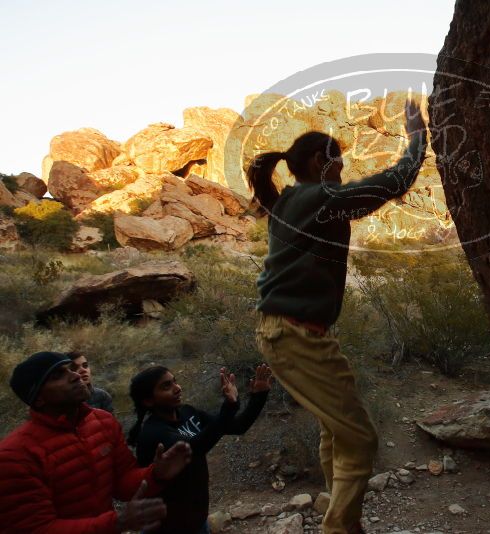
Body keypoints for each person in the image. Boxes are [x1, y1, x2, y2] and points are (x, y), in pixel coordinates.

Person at [249, 99, 428, 533]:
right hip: (295, 336)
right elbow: (391, 183)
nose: (342, 174)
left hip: (294, 333)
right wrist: (417, 137)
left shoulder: (290, 199)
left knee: (336, 428)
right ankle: (340, 529)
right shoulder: (318, 197)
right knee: (361, 437)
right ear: (319, 161)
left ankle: (342, 520)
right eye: (339, 165)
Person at [0, 351, 192, 533]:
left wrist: (155, 474)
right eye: (58, 376)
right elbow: (37, 529)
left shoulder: (103, 422)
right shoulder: (16, 456)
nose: (75, 376)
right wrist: (117, 522)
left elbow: (123, 481)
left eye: (70, 369)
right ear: (39, 399)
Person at [129, 363, 272, 534]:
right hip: (165, 528)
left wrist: (259, 395)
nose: (177, 388)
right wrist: (229, 406)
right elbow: (195, 448)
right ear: (148, 400)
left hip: (196, 521)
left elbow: (236, 426)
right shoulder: (153, 432)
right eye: (166, 386)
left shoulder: (187, 412)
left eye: (175, 381)